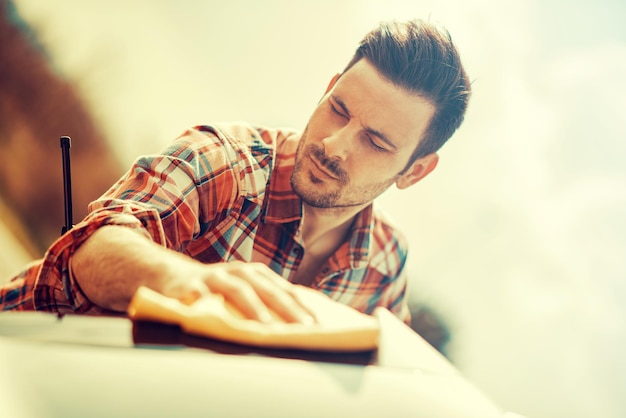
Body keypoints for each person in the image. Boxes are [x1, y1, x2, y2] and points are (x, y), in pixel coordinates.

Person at [0, 19, 471, 326]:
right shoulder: (225, 160)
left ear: (415, 171)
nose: (335, 144)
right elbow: (95, 247)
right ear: (329, 88)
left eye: (375, 141)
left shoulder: (384, 266)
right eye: (339, 109)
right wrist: (185, 280)